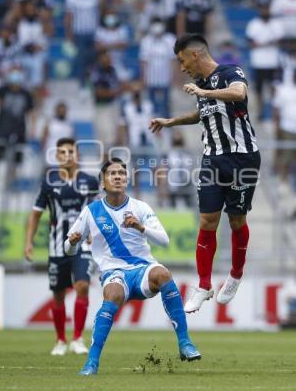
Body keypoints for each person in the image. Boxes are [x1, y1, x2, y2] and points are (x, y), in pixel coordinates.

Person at [149, 33, 261, 313]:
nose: (182, 66)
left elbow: (239, 93)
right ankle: (204, 285)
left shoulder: (229, 72)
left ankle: (235, 275)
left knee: (236, 221)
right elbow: (204, 113)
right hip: (212, 159)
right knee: (207, 220)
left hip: (242, 158)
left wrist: (204, 93)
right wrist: (172, 121)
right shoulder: (201, 85)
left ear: (194, 54)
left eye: (182, 59)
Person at [64, 157, 201, 375]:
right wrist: (72, 242)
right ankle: (92, 362)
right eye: (112, 174)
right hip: (114, 272)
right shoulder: (91, 211)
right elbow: (68, 249)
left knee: (163, 274)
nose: (118, 176)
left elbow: (164, 240)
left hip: (143, 270)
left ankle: (185, 343)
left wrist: (140, 227)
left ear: (126, 179)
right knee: (113, 294)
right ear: (103, 182)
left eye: (121, 173)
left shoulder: (140, 207)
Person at [25, 137, 99, 356]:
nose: (68, 156)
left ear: (77, 155)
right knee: (58, 294)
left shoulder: (90, 181)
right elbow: (36, 214)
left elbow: (97, 211)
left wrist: (94, 234)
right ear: (57, 156)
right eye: (63, 152)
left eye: (71, 152)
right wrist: (29, 241)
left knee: (83, 286)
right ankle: (60, 340)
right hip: (57, 246)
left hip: (83, 246)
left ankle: (77, 338)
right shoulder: (49, 182)